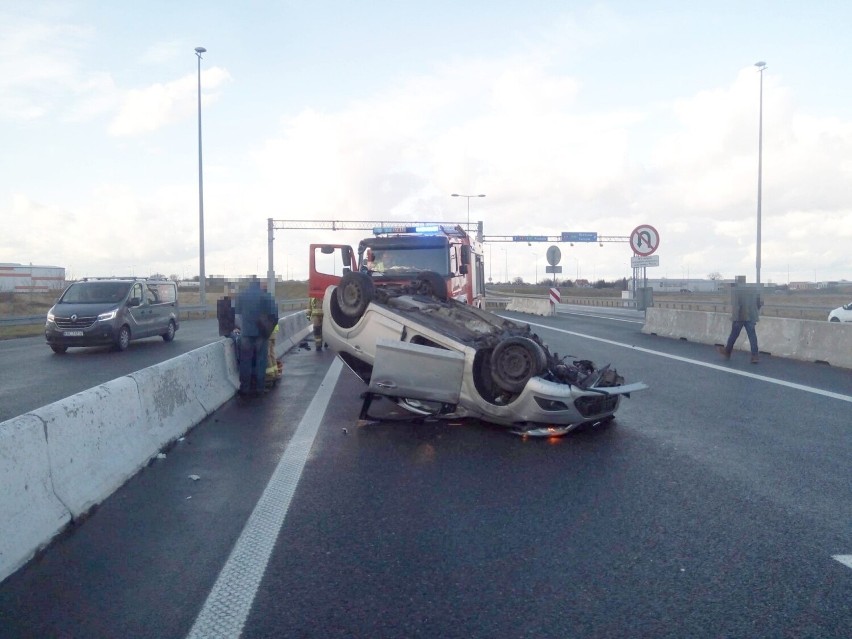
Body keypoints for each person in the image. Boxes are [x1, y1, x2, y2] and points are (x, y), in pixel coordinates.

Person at [235, 278, 278, 395]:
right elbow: (274, 315)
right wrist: (268, 330)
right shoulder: (265, 296)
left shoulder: (242, 295)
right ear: (259, 285)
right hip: (261, 334)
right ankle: (259, 389)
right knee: (261, 361)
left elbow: (237, 316)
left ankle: (245, 389)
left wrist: (242, 328)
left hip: (246, 334)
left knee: (245, 361)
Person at [717, 276, 762, 364]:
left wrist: (734, 316)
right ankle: (755, 356)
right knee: (752, 336)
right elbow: (759, 303)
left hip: (740, 316)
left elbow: (736, 304)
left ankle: (727, 352)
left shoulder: (736, 290)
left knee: (733, 335)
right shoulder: (753, 290)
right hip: (751, 316)